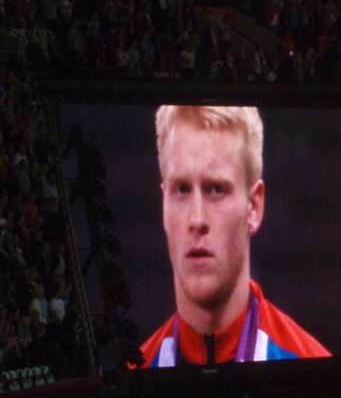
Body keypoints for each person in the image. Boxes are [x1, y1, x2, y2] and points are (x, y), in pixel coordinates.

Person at [138, 105, 329, 367]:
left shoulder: (313, 367)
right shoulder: (137, 370)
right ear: (163, 204)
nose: (197, 220)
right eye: (181, 189)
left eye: (216, 189)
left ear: (254, 207)